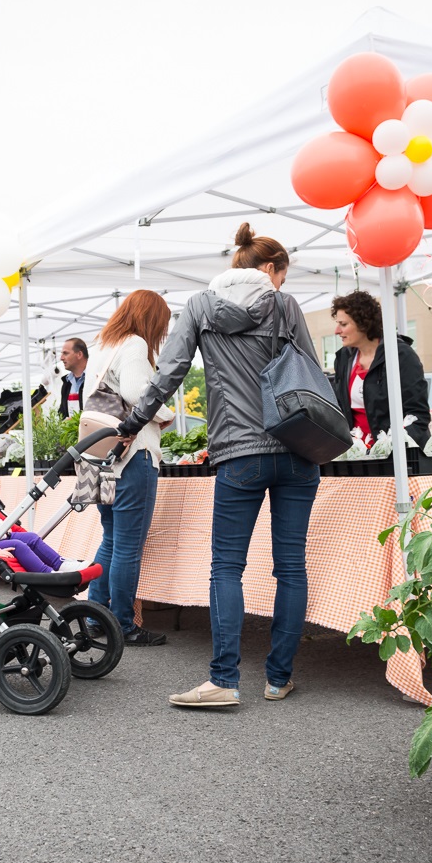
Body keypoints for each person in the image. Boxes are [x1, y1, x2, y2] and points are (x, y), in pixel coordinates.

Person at [118, 223, 323, 708]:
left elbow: (169, 373)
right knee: (291, 567)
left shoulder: (199, 307)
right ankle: (278, 678)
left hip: (239, 453)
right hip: (296, 452)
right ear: (268, 269)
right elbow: (312, 372)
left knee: (226, 567)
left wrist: (134, 420)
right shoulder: (285, 306)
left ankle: (224, 681)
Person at [83, 290, 176, 646]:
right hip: (131, 456)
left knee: (110, 538)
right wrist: (167, 416)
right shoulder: (135, 344)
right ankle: (122, 624)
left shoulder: (104, 345)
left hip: (96, 456)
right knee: (128, 546)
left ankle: (95, 617)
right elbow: (140, 393)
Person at [329, 289, 431, 449]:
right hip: (360, 456)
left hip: (398, 455)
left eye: (343, 324)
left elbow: (418, 414)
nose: (337, 331)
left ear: (363, 323)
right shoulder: (343, 358)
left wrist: (391, 448)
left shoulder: (400, 355)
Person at [58, 337, 89, 416]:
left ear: (79, 354)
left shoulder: (96, 378)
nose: (61, 358)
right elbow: (62, 412)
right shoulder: (66, 382)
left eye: (65, 353)